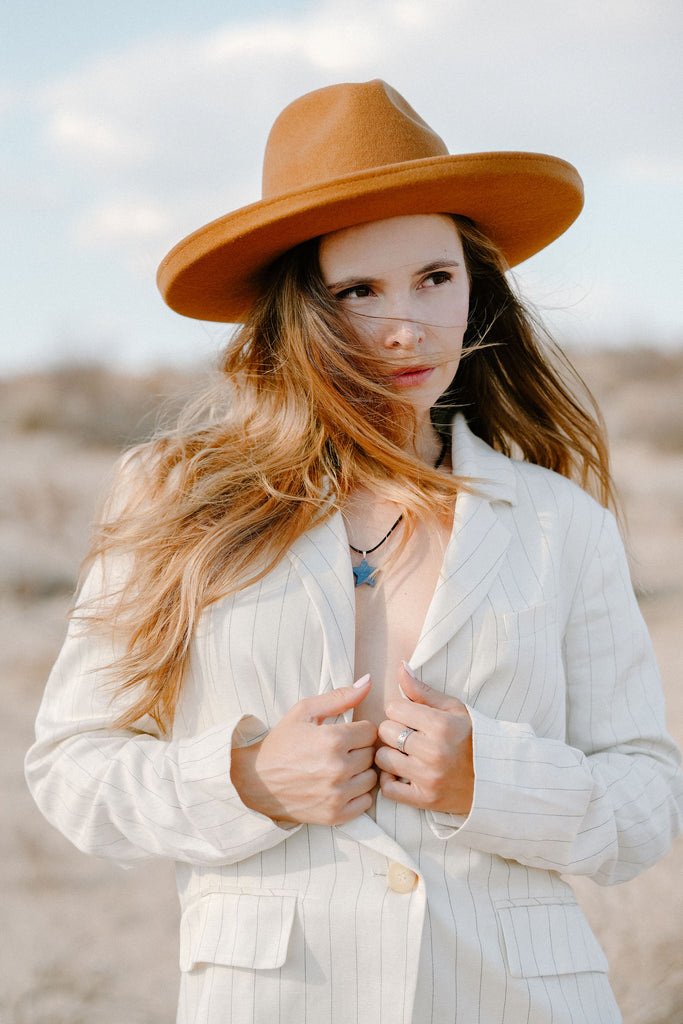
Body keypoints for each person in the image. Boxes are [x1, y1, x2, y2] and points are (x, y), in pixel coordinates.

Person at [26, 79, 682, 1024]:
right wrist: (247, 780)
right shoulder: (177, 498)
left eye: (434, 277)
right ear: (300, 310)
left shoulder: (554, 520)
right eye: (358, 291)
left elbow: (645, 797)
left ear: (475, 284)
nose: (407, 326)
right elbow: (74, 769)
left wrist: (489, 781)